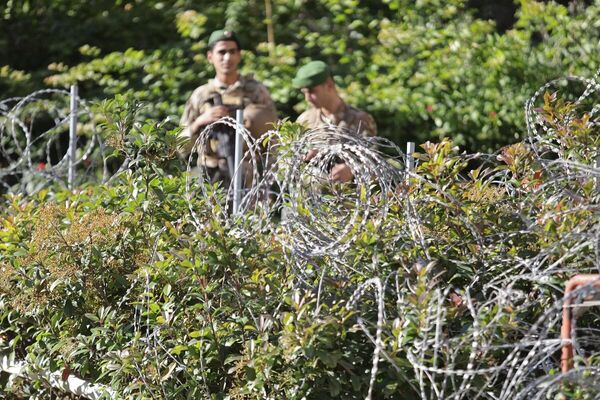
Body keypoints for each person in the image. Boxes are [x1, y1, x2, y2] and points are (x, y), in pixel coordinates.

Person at [179, 29, 277, 185]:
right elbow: (179, 146)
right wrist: (200, 122)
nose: (227, 57)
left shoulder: (256, 91)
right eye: (222, 52)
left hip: (249, 176)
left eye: (232, 52)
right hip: (210, 175)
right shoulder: (201, 96)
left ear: (239, 55)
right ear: (210, 57)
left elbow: (272, 138)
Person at [292, 60, 377, 182]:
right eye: (304, 93)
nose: (307, 98)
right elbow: (287, 165)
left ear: (329, 85)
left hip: (350, 198)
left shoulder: (360, 120)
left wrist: (352, 170)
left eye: (311, 92)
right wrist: (303, 157)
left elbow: (375, 165)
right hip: (313, 197)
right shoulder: (305, 121)